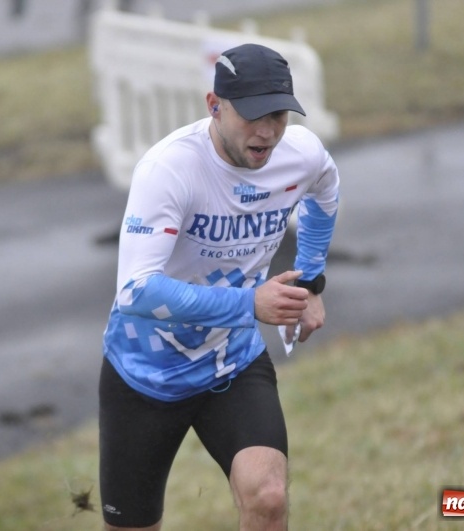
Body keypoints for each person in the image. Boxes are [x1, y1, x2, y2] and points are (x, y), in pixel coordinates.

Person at [99, 43, 340, 530]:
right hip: (144, 374)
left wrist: (311, 282)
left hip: (232, 364)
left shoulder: (300, 154)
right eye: (253, 115)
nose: (268, 132)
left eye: (278, 114)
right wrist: (249, 302)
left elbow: (325, 194)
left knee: (269, 497)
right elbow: (136, 293)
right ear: (214, 106)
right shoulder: (169, 169)